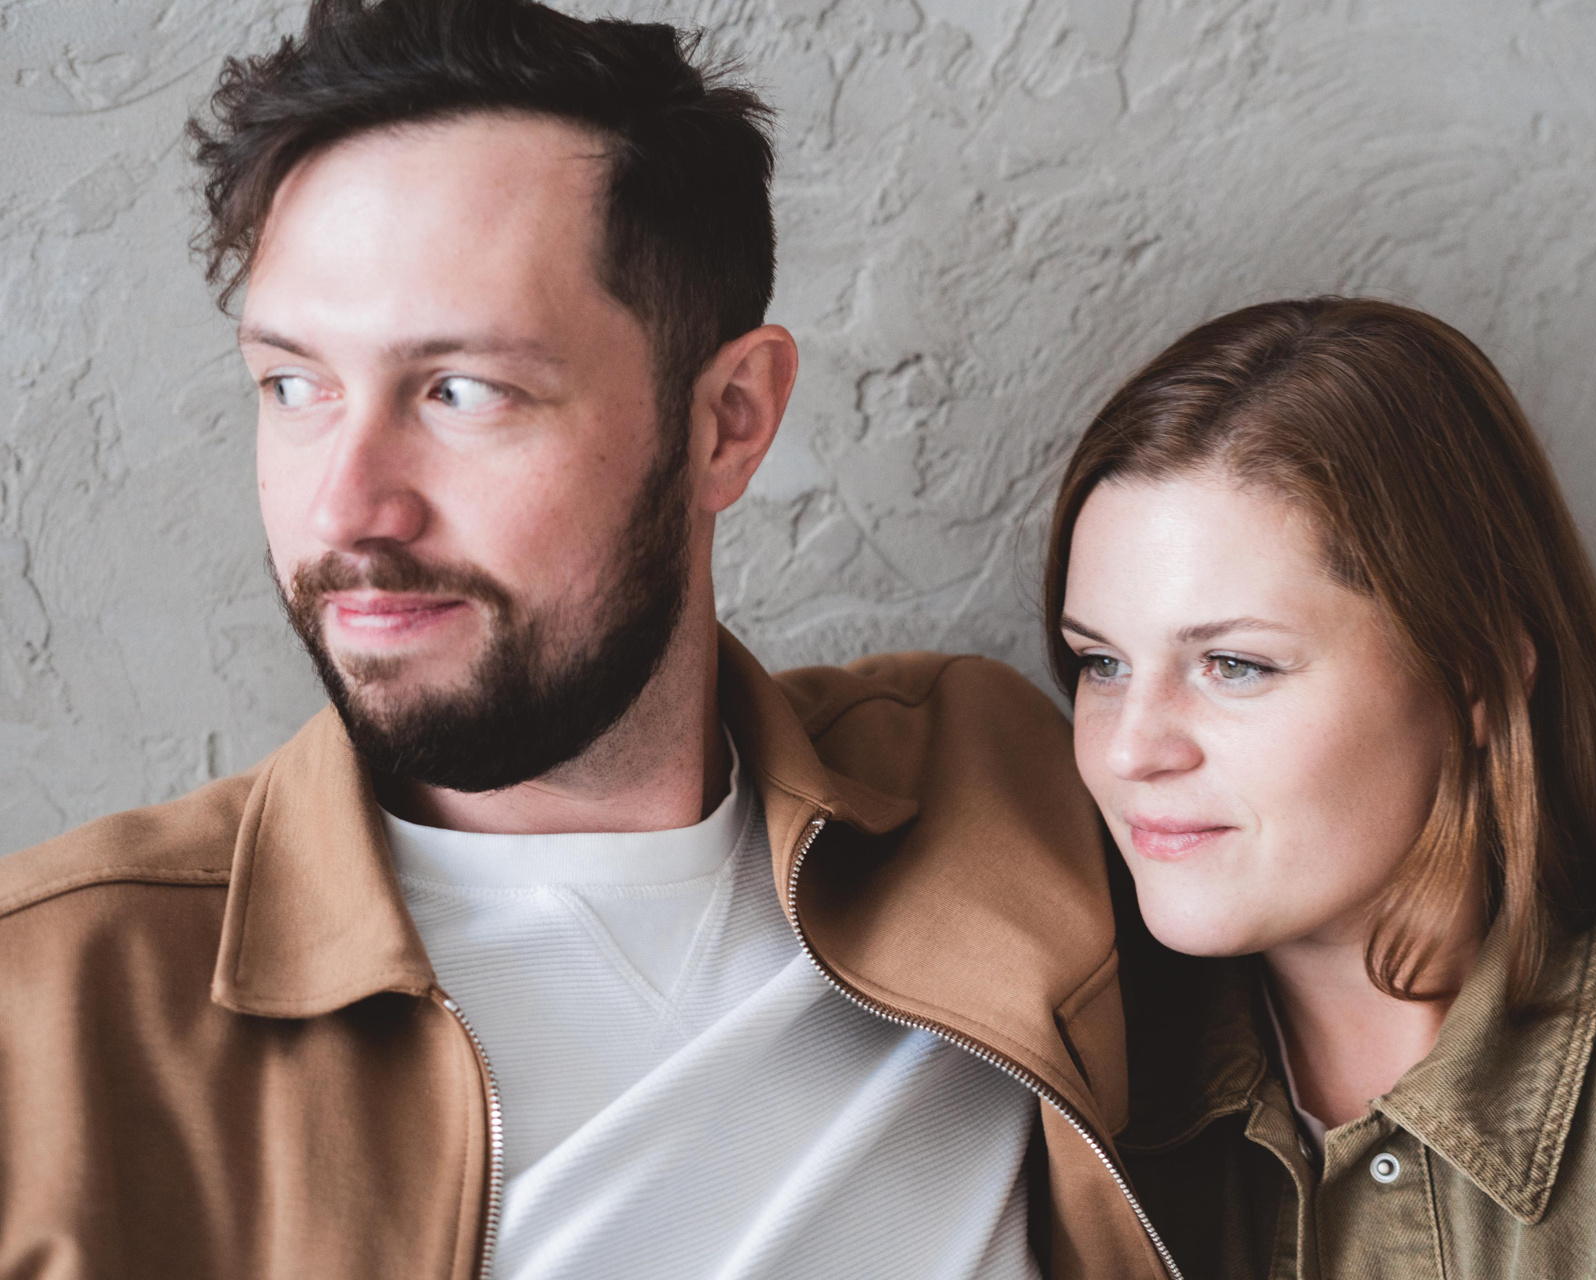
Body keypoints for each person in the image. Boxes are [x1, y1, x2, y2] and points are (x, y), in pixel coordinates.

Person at [0, 2, 1177, 1276]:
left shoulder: (983, 788)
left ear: (728, 420)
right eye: (295, 385)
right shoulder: (51, 1010)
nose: (345, 509)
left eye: (462, 390)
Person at [1044, 297, 1596, 1278]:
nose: (1130, 750)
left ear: (1475, 677)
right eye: (1101, 663)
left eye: (1235, 665)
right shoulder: (1066, 1088)